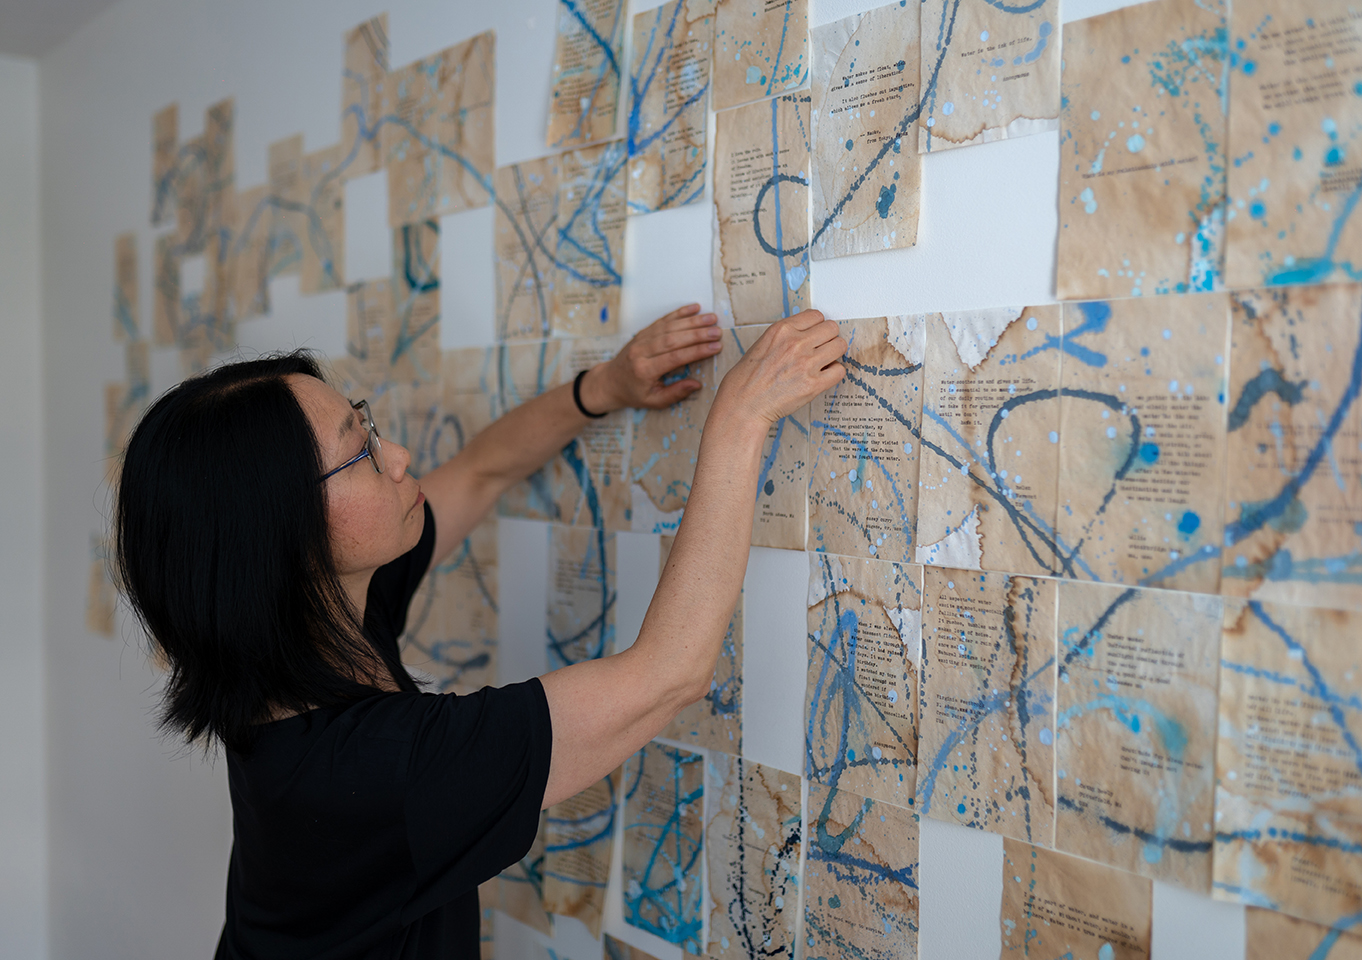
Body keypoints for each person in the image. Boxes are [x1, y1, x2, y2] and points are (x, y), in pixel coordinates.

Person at [114, 303, 846, 959]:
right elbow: (669, 673)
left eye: (366, 424)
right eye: (362, 452)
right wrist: (741, 420)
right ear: (285, 542)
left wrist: (606, 387)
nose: (398, 459)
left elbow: (483, 470)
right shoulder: (380, 769)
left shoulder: (297, 638)